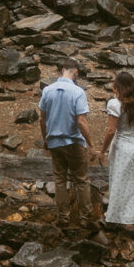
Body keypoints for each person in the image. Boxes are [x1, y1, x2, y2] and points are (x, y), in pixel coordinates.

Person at [98, 70, 134, 243]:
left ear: (118, 87)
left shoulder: (116, 105)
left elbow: (110, 131)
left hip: (122, 148)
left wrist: (102, 151)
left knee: (119, 182)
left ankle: (115, 214)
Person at [39, 59, 96, 228]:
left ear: (62, 70)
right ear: (76, 72)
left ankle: (63, 217)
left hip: (55, 142)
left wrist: (45, 139)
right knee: (81, 180)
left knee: (60, 180)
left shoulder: (47, 91)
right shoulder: (78, 92)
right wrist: (91, 145)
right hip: (73, 141)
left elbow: (42, 118)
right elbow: (81, 121)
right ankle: (86, 218)